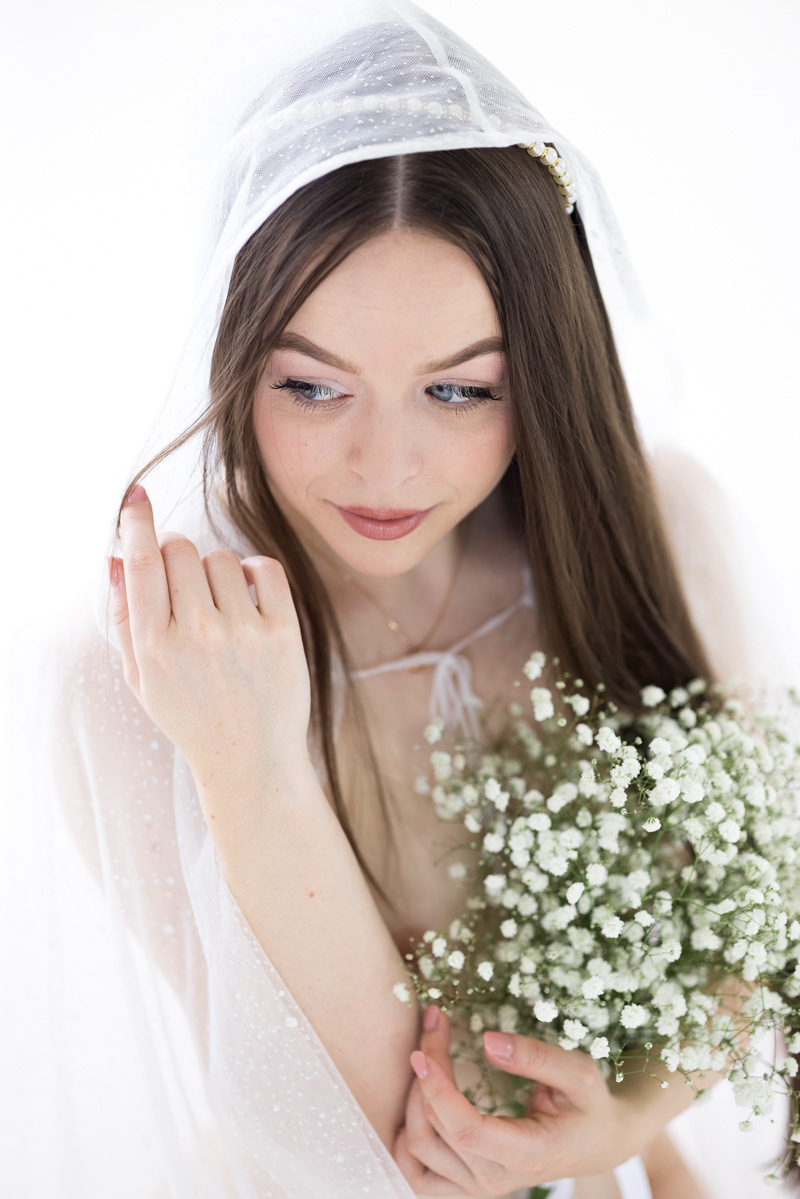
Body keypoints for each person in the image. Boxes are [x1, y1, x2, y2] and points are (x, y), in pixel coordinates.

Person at [39, 1, 790, 1196]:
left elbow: (752, 913)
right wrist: (255, 771)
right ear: (234, 355)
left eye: (457, 393)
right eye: (310, 385)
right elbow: (356, 1136)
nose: (385, 472)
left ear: (540, 373)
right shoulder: (147, 662)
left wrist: (624, 1117)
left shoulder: (654, 531)